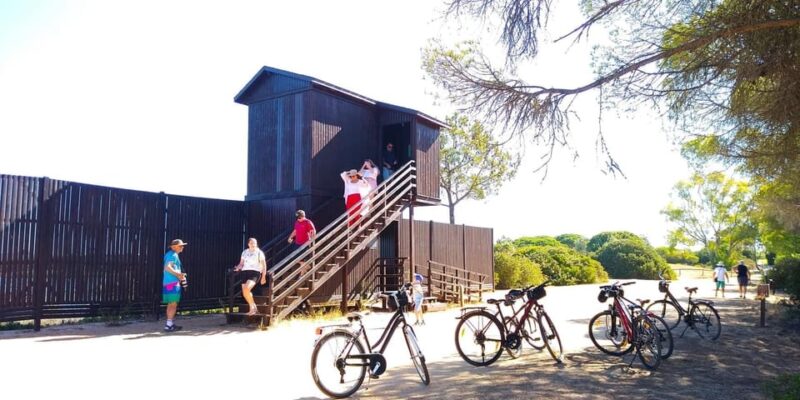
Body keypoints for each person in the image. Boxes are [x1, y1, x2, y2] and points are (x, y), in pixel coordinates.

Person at [233, 238, 267, 316]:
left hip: (255, 272)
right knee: (245, 293)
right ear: (248, 244)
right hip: (245, 272)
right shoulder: (244, 252)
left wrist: (263, 276)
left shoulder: (259, 252)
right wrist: (238, 267)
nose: (253, 244)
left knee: (246, 288)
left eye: (254, 243)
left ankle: (253, 307)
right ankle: (253, 307)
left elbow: (264, 265)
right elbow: (241, 263)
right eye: (251, 243)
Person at [163, 239, 188, 332]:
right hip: (173, 283)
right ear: (173, 247)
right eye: (180, 246)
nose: (182, 247)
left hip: (167, 283)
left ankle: (169, 324)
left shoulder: (169, 254)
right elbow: (167, 267)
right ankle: (168, 325)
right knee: (173, 304)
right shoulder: (173, 255)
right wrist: (178, 275)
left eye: (182, 245)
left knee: (171, 304)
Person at [287, 210, 316, 275]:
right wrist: (290, 237)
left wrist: (311, 240)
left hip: (305, 243)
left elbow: (313, 231)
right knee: (295, 258)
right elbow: (295, 231)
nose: (298, 219)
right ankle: (306, 266)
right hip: (298, 243)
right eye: (297, 218)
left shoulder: (308, 222)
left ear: (303, 216)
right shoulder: (297, 222)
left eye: (299, 218)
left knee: (302, 259)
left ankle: (301, 274)